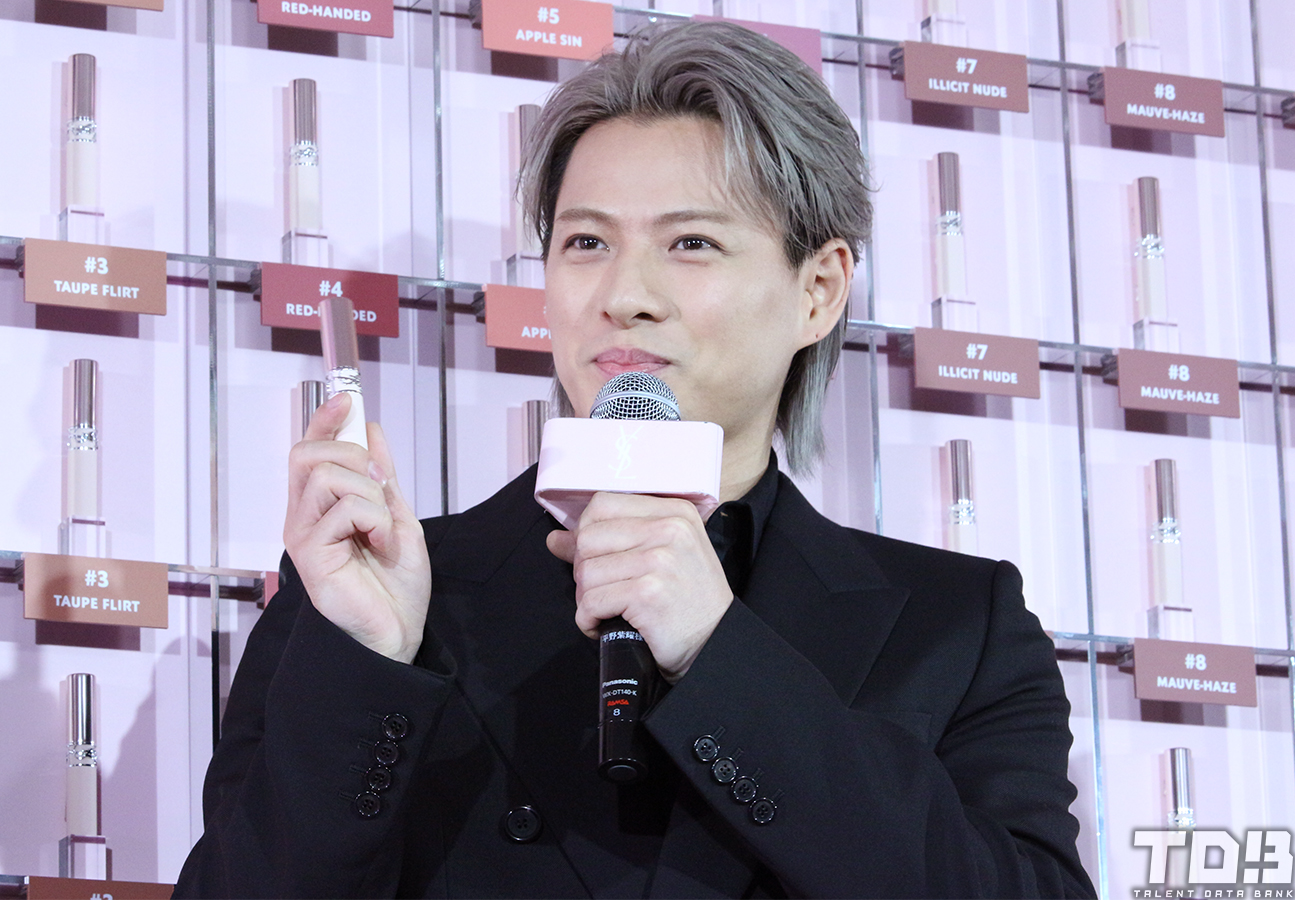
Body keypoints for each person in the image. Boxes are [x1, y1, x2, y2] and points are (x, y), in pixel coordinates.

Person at [175, 20, 1095, 899]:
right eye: (586, 242)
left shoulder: (958, 626)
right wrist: (370, 669)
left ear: (817, 290)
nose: (625, 295)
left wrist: (721, 657)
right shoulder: (375, 596)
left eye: (691, 243)